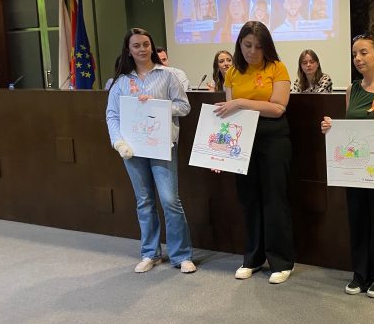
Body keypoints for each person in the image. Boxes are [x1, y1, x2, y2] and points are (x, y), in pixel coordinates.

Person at [320, 33, 374, 298]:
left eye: (363, 52)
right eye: (354, 54)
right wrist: (331, 127)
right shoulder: (353, 89)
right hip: (356, 163)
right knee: (358, 217)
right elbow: (351, 124)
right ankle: (361, 274)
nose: (358, 58)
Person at [105, 28, 196, 274]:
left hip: (162, 146)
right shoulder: (121, 82)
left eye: (146, 44)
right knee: (144, 201)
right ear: (128, 51)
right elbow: (112, 115)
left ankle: (181, 255)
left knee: (170, 200)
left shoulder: (167, 75)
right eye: (136, 45)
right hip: (133, 150)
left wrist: (159, 106)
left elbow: (184, 107)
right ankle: (150, 253)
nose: (142, 49)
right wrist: (118, 142)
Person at [213, 21, 295, 284]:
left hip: (273, 138)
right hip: (242, 139)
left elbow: (278, 107)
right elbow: (228, 113)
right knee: (249, 199)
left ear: (266, 47)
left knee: (274, 199)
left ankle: (281, 261)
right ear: (239, 44)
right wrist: (221, 153)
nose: (252, 51)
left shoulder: (277, 67)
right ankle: (253, 258)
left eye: (258, 46)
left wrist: (240, 102)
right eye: (247, 45)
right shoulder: (233, 72)